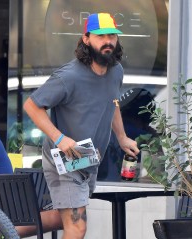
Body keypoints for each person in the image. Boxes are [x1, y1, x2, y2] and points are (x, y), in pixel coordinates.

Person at [23, 13, 139, 239]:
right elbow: (31, 106)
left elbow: (113, 101)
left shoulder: (116, 71)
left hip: (89, 157)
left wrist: (122, 137)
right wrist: (60, 139)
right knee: (77, 226)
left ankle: (4, 230)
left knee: (63, 218)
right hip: (64, 159)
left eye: (112, 36)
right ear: (86, 39)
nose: (108, 41)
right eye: (101, 36)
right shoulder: (69, 76)